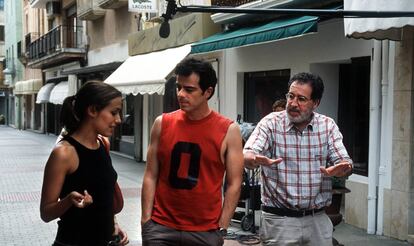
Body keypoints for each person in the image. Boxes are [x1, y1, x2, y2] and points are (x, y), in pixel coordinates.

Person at [141, 58, 244, 246]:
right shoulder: (161, 123)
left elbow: (234, 183)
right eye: (178, 87)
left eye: (189, 89)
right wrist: (146, 221)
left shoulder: (229, 130)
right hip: (160, 228)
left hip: (205, 231)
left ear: (208, 92)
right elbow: (150, 175)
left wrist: (222, 227)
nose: (180, 94)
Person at [244, 72, 353, 246]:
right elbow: (248, 153)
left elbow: (344, 160)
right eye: (291, 96)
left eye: (301, 99)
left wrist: (342, 168)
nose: (293, 104)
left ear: (315, 103)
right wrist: (252, 159)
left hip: (317, 220)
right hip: (279, 221)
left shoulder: (327, 126)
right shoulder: (270, 123)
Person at [40, 81, 129, 246]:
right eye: (114, 112)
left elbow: (104, 196)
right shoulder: (64, 153)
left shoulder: (103, 144)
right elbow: (46, 213)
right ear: (92, 110)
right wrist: (68, 200)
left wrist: (113, 224)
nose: (119, 120)